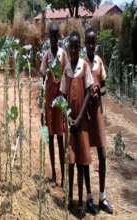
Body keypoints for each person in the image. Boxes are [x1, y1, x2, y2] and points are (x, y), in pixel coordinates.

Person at [60, 31, 93, 218]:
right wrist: (68, 116)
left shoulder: (84, 67)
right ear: (68, 48)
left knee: (82, 162)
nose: (73, 50)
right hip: (70, 123)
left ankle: (81, 201)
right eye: (71, 47)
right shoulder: (66, 70)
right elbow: (63, 96)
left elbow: (88, 93)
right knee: (71, 162)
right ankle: (70, 199)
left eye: (76, 46)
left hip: (81, 123)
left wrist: (79, 118)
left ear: (79, 47)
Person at [84, 27, 113, 214]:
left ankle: (102, 196)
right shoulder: (81, 63)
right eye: (89, 42)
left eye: (94, 42)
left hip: (97, 114)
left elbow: (104, 87)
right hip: (85, 115)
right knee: (86, 157)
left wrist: (97, 92)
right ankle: (89, 197)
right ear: (85, 43)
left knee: (102, 155)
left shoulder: (98, 62)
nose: (92, 45)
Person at [40, 22, 67, 187]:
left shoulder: (63, 55)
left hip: (60, 101)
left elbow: (66, 77)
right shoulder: (47, 55)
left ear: (58, 37)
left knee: (60, 137)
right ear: (49, 38)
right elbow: (43, 78)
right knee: (49, 137)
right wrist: (42, 107)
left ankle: (63, 177)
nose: (53, 40)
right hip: (49, 101)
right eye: (51, 37)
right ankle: (54, 175)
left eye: (55, 37)